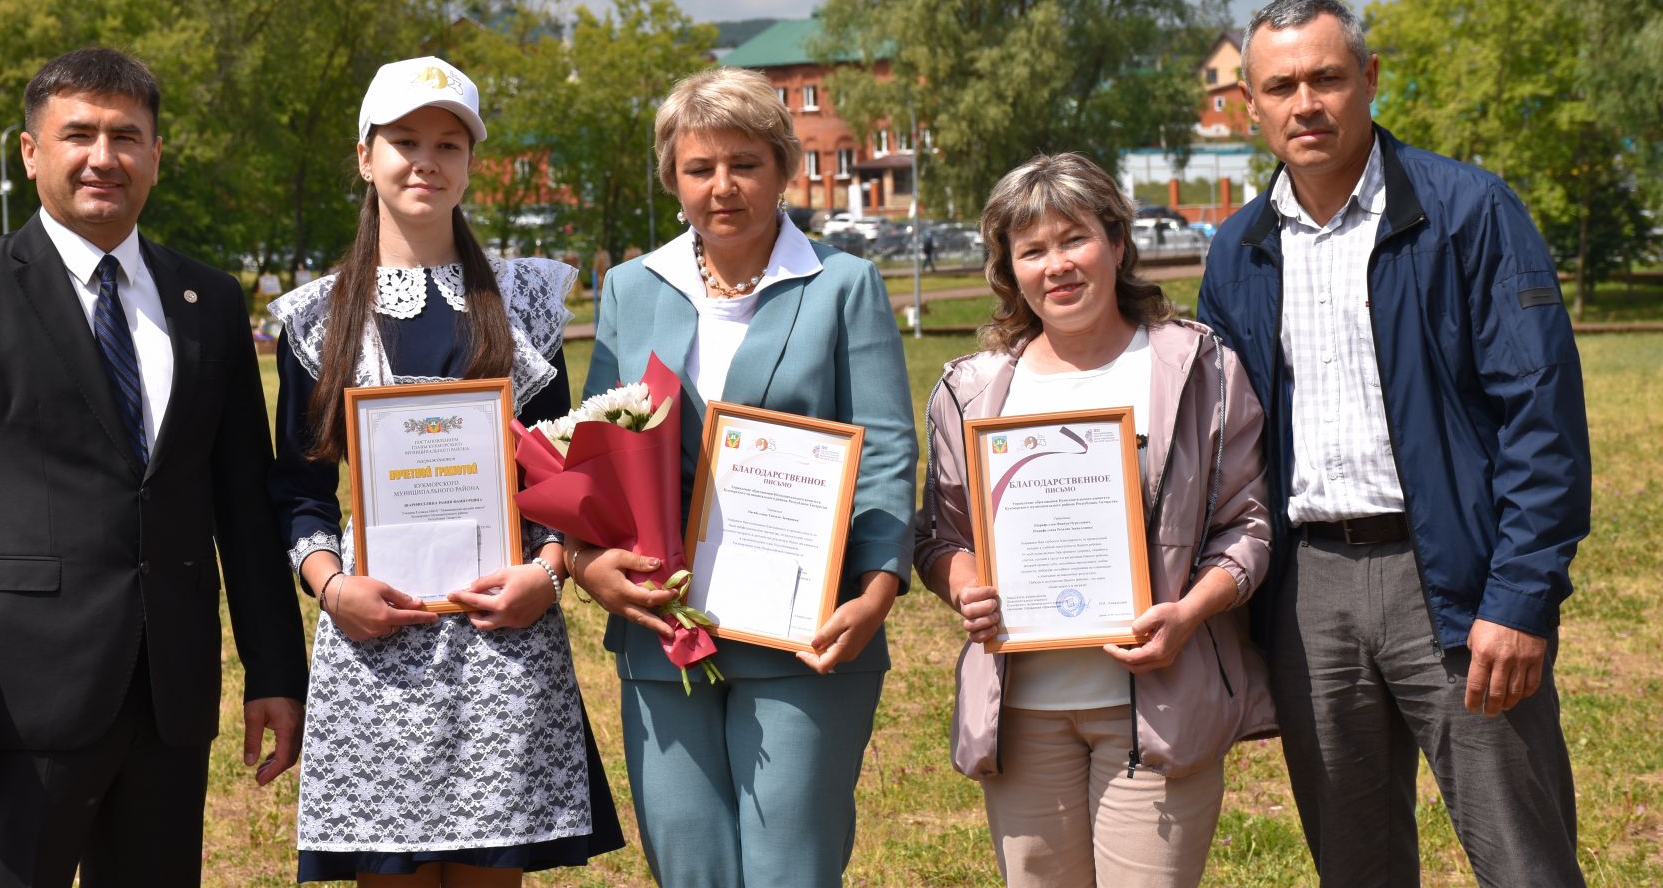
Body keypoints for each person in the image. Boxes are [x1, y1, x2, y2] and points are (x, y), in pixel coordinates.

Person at [0, 48, 308, 887]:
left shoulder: (209, 302)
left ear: (155, 155)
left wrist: (275, 671)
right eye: (78, 134)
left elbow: (242, 508)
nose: (103, 157)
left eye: (127, 136)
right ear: (32, 152)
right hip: (16, 699)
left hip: (171, 695)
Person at [1196, 0, 1591, 887]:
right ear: (1249, 105)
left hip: (1453, 581)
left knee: (1524, 861)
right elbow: (1220, 445)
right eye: (1281, 85)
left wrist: (1521, 597)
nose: (1308, 103)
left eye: (1328, 78)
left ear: (1369, 79)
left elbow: (1543, 418)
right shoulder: (1238, 252)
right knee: (1355, 866)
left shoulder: (1470, 212)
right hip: (1309, 598)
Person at [265, 55, 623, 885]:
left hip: (504, 635)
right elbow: (297, 489)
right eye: (404, 140)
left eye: (448, 144)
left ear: (470, 163)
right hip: (374, 634)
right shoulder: (315, 318)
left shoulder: (527, 301)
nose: (426, 161)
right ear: (365, 155)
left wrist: (548, 573)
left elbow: (562, 474)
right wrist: (331, 586)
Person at [578, 66, 918, 888]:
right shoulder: (630, 288)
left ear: (783, 168)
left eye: (745, 164)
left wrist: (876, 592)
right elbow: (590, 452)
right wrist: (592, 570)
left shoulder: (843, 285)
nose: (721, 187)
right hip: (666, 630)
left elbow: (884, 452)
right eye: (699, 168)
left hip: (807, 633)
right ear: (673, 177)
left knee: (787, 869)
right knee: (687, 862)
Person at [914, 153, 1274, 886]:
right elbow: (940, 535)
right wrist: (965, 585)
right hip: (1023, 715)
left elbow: (1250, 525)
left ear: (1116, 241)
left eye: (1074, 238)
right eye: (1032, 250)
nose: (1058, 266)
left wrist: (1189, 612)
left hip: (1158, 705)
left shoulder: (1199, 367)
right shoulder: (971, 391)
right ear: (1008, 269)